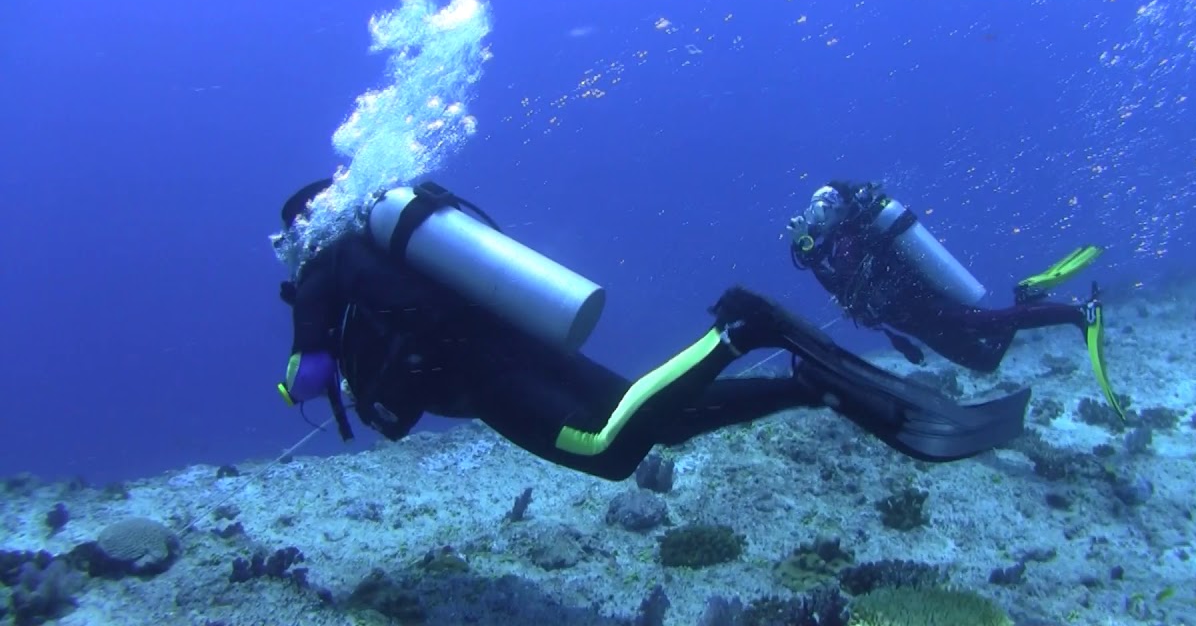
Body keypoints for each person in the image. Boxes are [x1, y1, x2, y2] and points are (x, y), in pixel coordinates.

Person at [273, 178, 1033, 480]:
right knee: (659, 422)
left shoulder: (324, 267)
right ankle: (804, 387)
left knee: (610, 452)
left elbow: (308, 377)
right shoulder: (386, 250)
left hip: (480, 373)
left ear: (308, 226)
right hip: (511, 342)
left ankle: (741, 334)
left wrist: (297, 374)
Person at [786, 179, 1123, 419]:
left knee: (989, 324)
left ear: (838, 209)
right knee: (984, 361)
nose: (816, 219)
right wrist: (814, 257)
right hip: (911, 320)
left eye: (819, 211)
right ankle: (1025, 300)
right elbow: (845, 289)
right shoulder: (843, 241)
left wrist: (814, 257)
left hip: (919, 305)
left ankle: (1081, 314)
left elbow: (846, 285)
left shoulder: (848, 239)